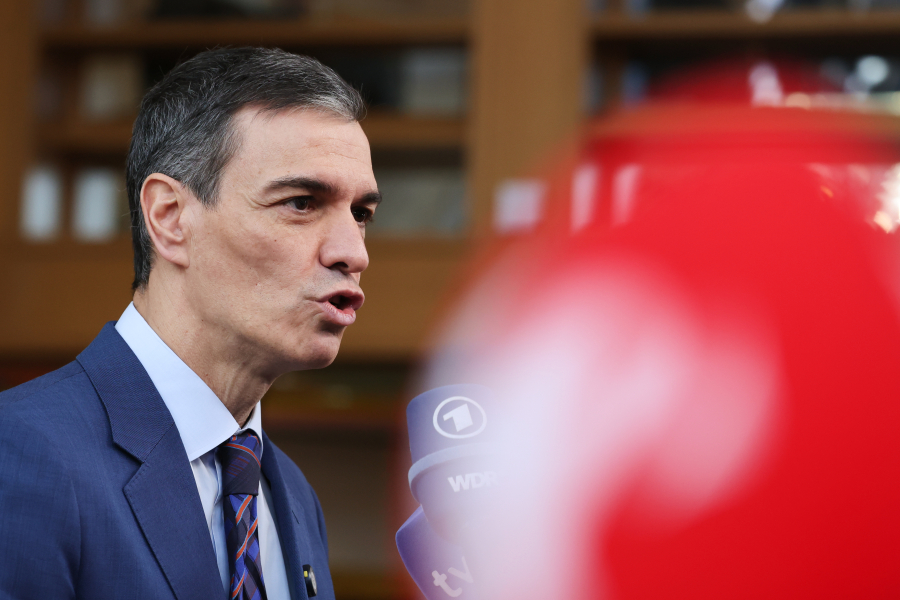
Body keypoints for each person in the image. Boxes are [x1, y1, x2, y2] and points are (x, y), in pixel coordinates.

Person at [0, 47, 380, 600]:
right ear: (170, 218)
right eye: (301, 203)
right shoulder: (20, 453)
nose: (353, 251)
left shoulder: (293, 495)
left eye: (361, 214)